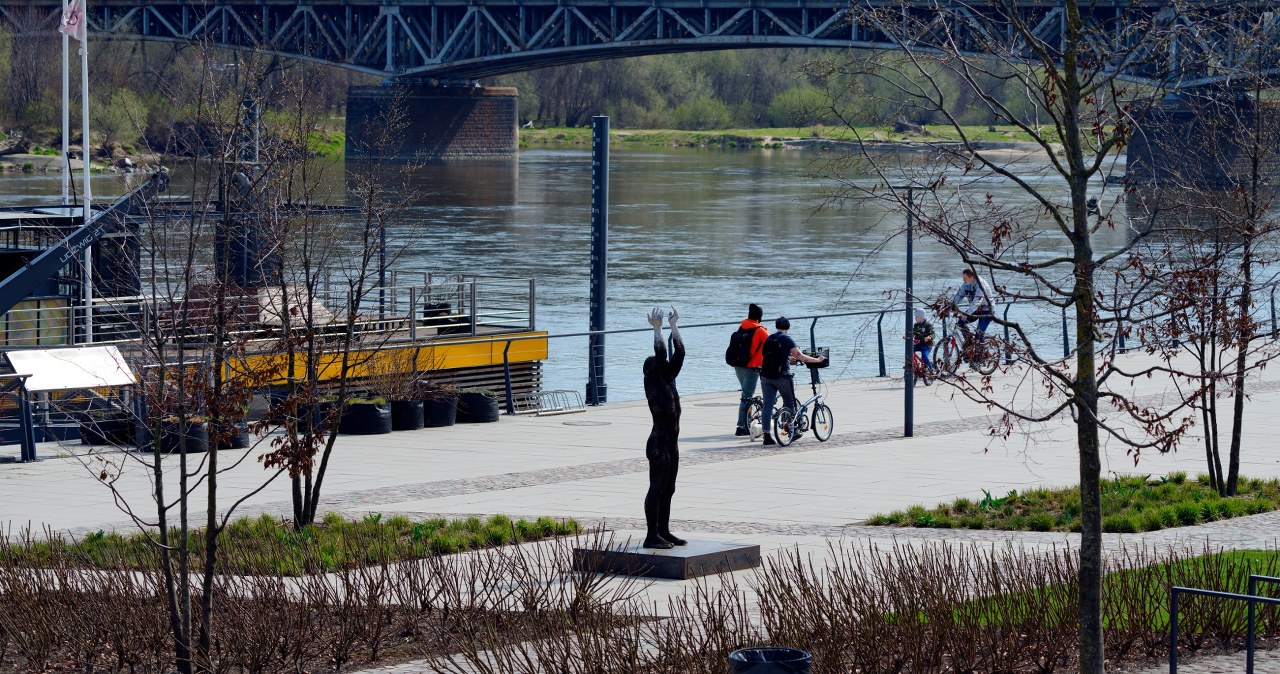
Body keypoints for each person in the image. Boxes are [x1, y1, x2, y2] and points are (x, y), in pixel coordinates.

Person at [642, 306, 686, 549]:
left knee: (669, 487)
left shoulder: (668, 378)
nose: (667, 366)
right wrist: (658, 330)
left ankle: (663, 530)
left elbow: (679, 354)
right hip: (658, 442)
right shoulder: (653, 380)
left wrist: (674, 327)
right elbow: (660, 356)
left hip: (672, 442)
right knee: (657, 487)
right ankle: (651, 535)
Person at [759, 316, 826, 446]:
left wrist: (789, 359)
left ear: (776, 326)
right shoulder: (787, 339)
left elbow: (773, 357)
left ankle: (766, 435)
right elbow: (800, 355)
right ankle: (793, 431)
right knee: (789, 403)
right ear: (788, 327)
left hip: (766, 376)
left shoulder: (769, 338)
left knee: (767, 405)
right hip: (782, 376)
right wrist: (817, 360)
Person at [732, 303, 769, 437]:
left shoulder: (742, 327)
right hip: (752, 368)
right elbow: (773, 345)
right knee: (746, 397)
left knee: (746, 395)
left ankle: (747, 422)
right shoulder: (760, 331)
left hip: (738, 366)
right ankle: (741, 427)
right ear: (760, 317)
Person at [952, 268, 994, 354]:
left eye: (965, 278)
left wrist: (967, 313)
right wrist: (950, 306)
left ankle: (980, 357)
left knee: (979, 333)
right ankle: (970, 343)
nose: (963, 280)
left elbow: (977, 301)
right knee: (960, 322)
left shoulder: (980, 284)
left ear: (971, 277)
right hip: (976, 309)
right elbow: (959, 295)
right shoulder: (966, 284)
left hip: (987, 310)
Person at [912, 308, 936, 373]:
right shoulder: (916, 325)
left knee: (924, 356)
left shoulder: (928, 325)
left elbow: (933, 333)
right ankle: (914, 365)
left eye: (916, 317)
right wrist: (908, 336)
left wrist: (929, 337)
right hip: (918, 344)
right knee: (909, 351)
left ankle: (931, 369)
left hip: (927, 345)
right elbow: (913, 332)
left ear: (921, 317)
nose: (915, 318)